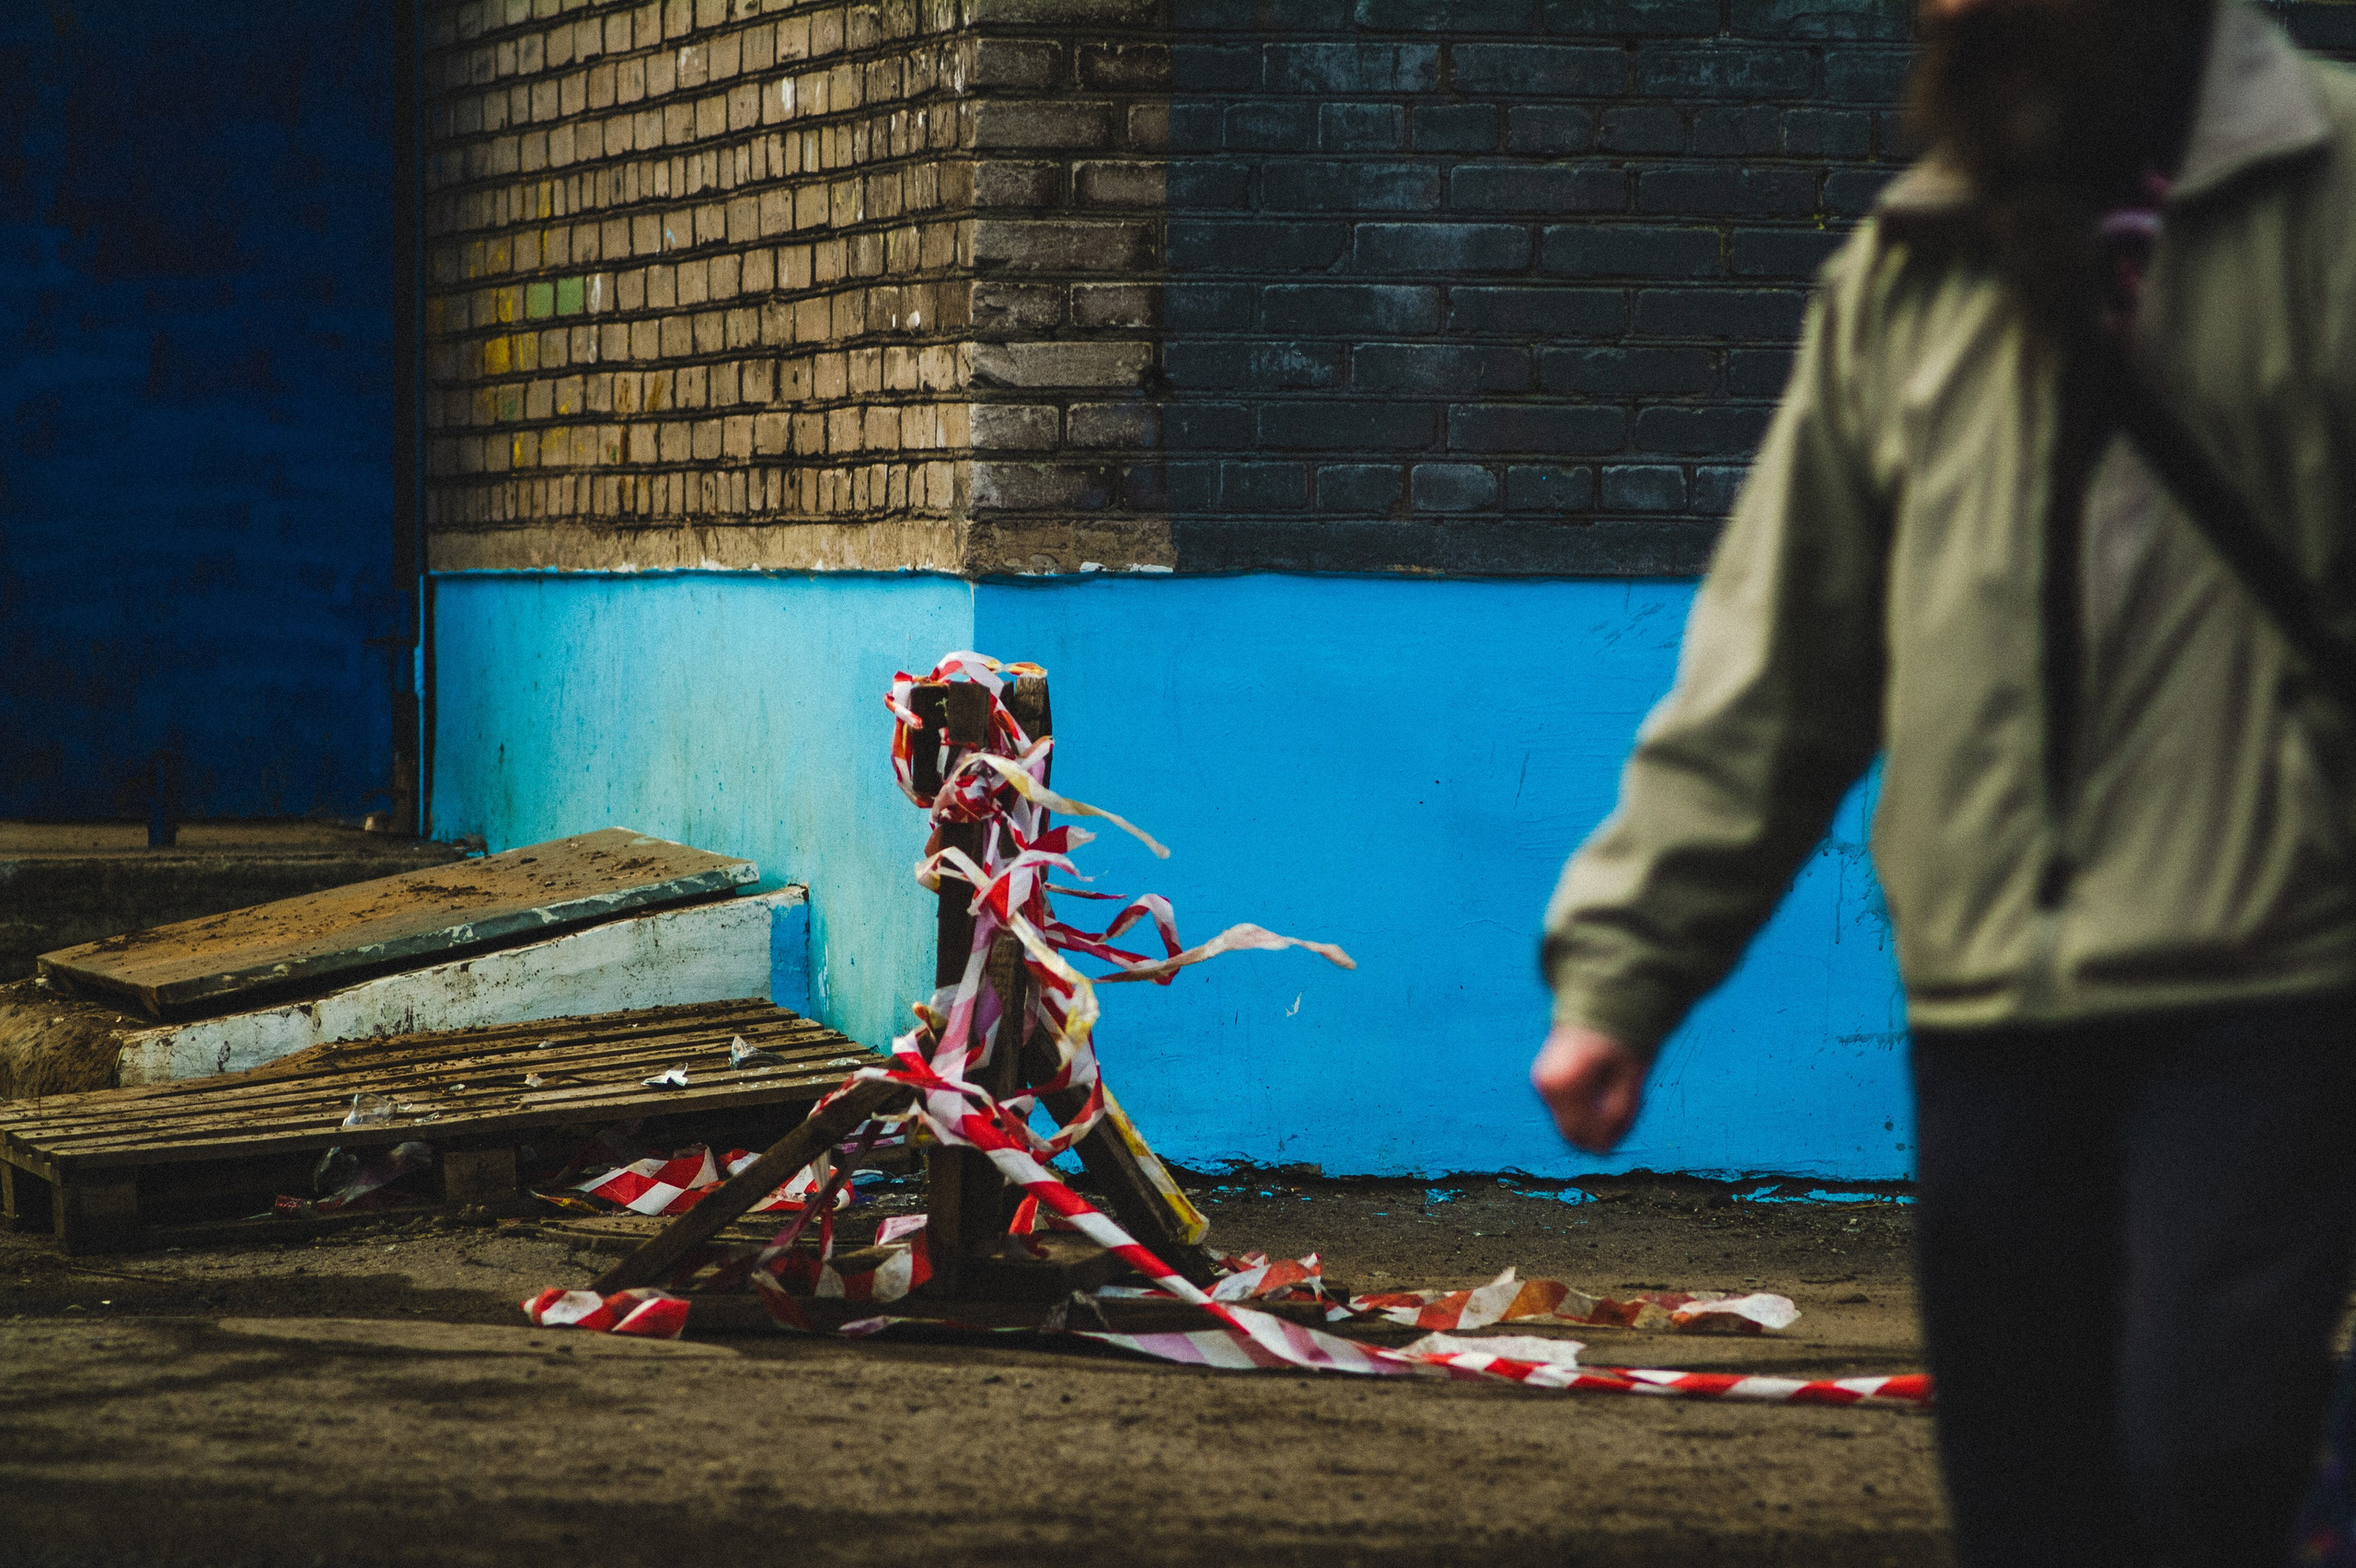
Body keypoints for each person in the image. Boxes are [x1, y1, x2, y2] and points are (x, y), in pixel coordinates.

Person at [1530, 1, 2356, 1562]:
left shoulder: (2334, 193)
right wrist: (1624, 976)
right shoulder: (1907, 271)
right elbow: (1784, 654)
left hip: (2269, 974)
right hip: (1991, 1002)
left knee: (2211, 1458)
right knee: (2029, 1499)